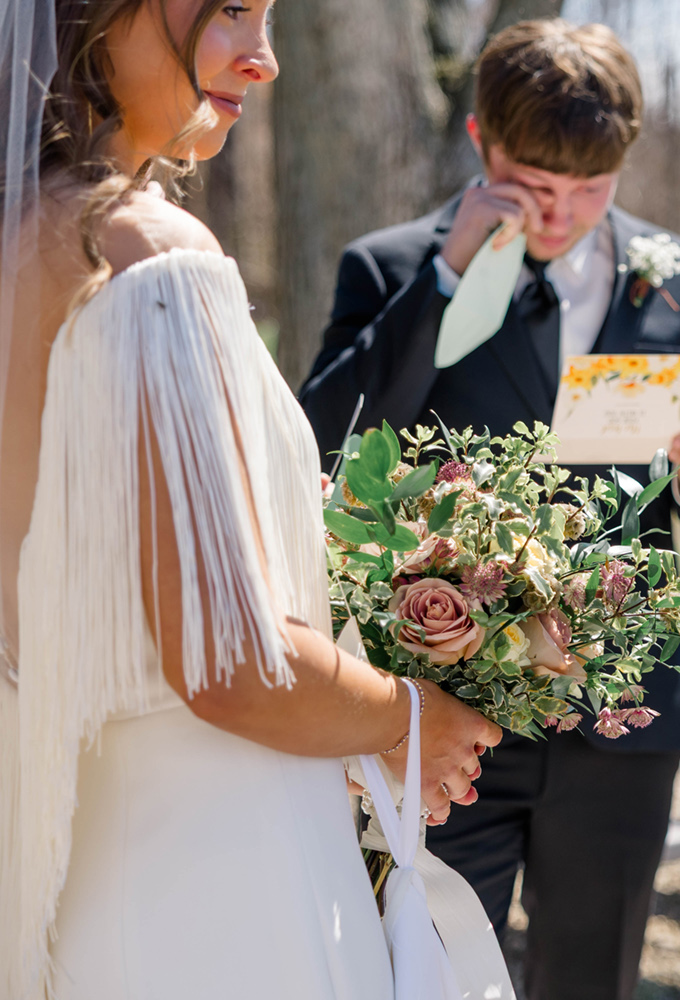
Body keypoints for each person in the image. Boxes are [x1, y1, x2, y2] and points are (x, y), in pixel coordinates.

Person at [0, 1, 506, 997]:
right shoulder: (144, 253)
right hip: (217, 885)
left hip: (71, 860)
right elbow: (229, 661)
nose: (264, 59)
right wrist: (409, 716)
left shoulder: (21, 237)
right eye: (230, 9)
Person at [297, 19, 680, 1000]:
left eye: (592, 191)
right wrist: (449, 278)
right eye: (537, 189)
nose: (563, 216)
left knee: (593, 983)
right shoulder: (391, 269)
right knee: (419, 971)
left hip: (621, 723)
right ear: (481, 143)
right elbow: (327, 447)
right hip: (447, 714)